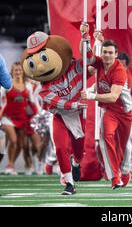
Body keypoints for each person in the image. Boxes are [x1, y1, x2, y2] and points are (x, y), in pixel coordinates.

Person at [21, 31, 88, 195]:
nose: (42, 66)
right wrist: (76, 103)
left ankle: (77, 162)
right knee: (60, 147)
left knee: (79, 149)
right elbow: (61, 104)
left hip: (78, 115)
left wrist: (86, 40)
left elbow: (89, 60)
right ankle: (69, 184)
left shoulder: (75, 68)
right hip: (60, 115)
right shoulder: (44, 89)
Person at [80, 26, 132, 190]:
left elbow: (113, 96)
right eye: (105, 52)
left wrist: (90, 96)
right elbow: (86, 55)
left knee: (123, 147)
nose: (107, 55)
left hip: (124, 111)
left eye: (110, 52)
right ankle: (114, 177)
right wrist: (87, 37)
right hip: (109, 111)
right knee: (105, 138)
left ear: (116, 54)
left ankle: (124, 171)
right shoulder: (99, 63)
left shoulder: (119, 70)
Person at [0, 62, 38, 175]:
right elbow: (1, 102)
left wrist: (36, 116)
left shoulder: (28, 85)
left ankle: (11, 165)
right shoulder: (7, 84)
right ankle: (10, 165)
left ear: (23, 71)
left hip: (22, 118)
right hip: (8, 117)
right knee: (13, 140)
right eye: (15, 70)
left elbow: (32, 103)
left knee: (20, 145)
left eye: (20, 70)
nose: (18, 72)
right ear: (12, 72)